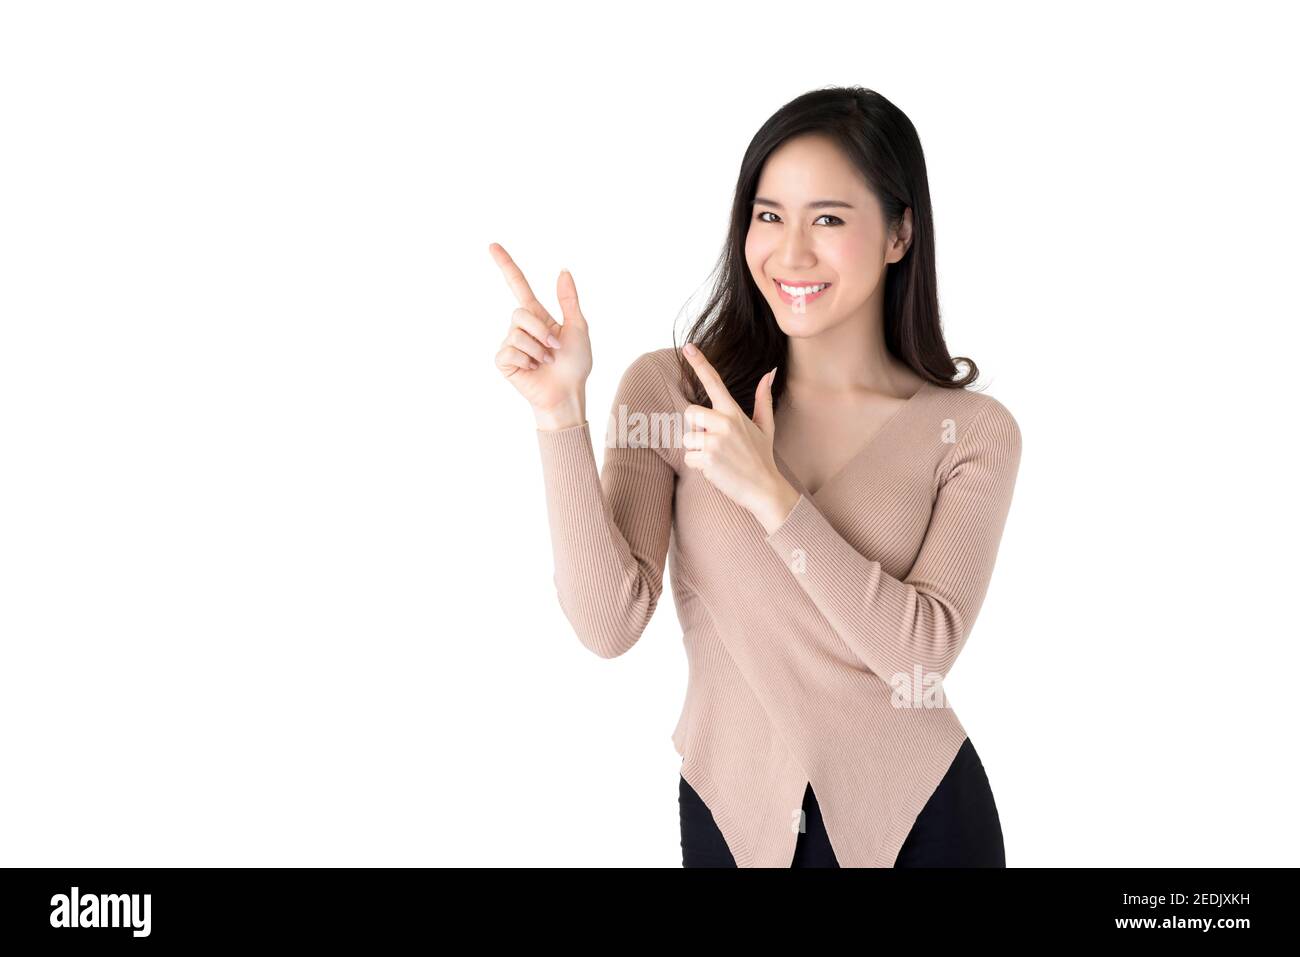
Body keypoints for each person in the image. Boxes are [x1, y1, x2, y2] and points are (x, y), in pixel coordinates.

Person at [490, 86, 1021, 867]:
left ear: (900, 234)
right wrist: (558, 413)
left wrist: (771, 494)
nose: (791, 252)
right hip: (731, 813)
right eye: (768, 216)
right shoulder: (670, 392)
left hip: (923, 819)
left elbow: (918, 657)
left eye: (829, 219)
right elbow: (609, 625)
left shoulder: (972, 432)